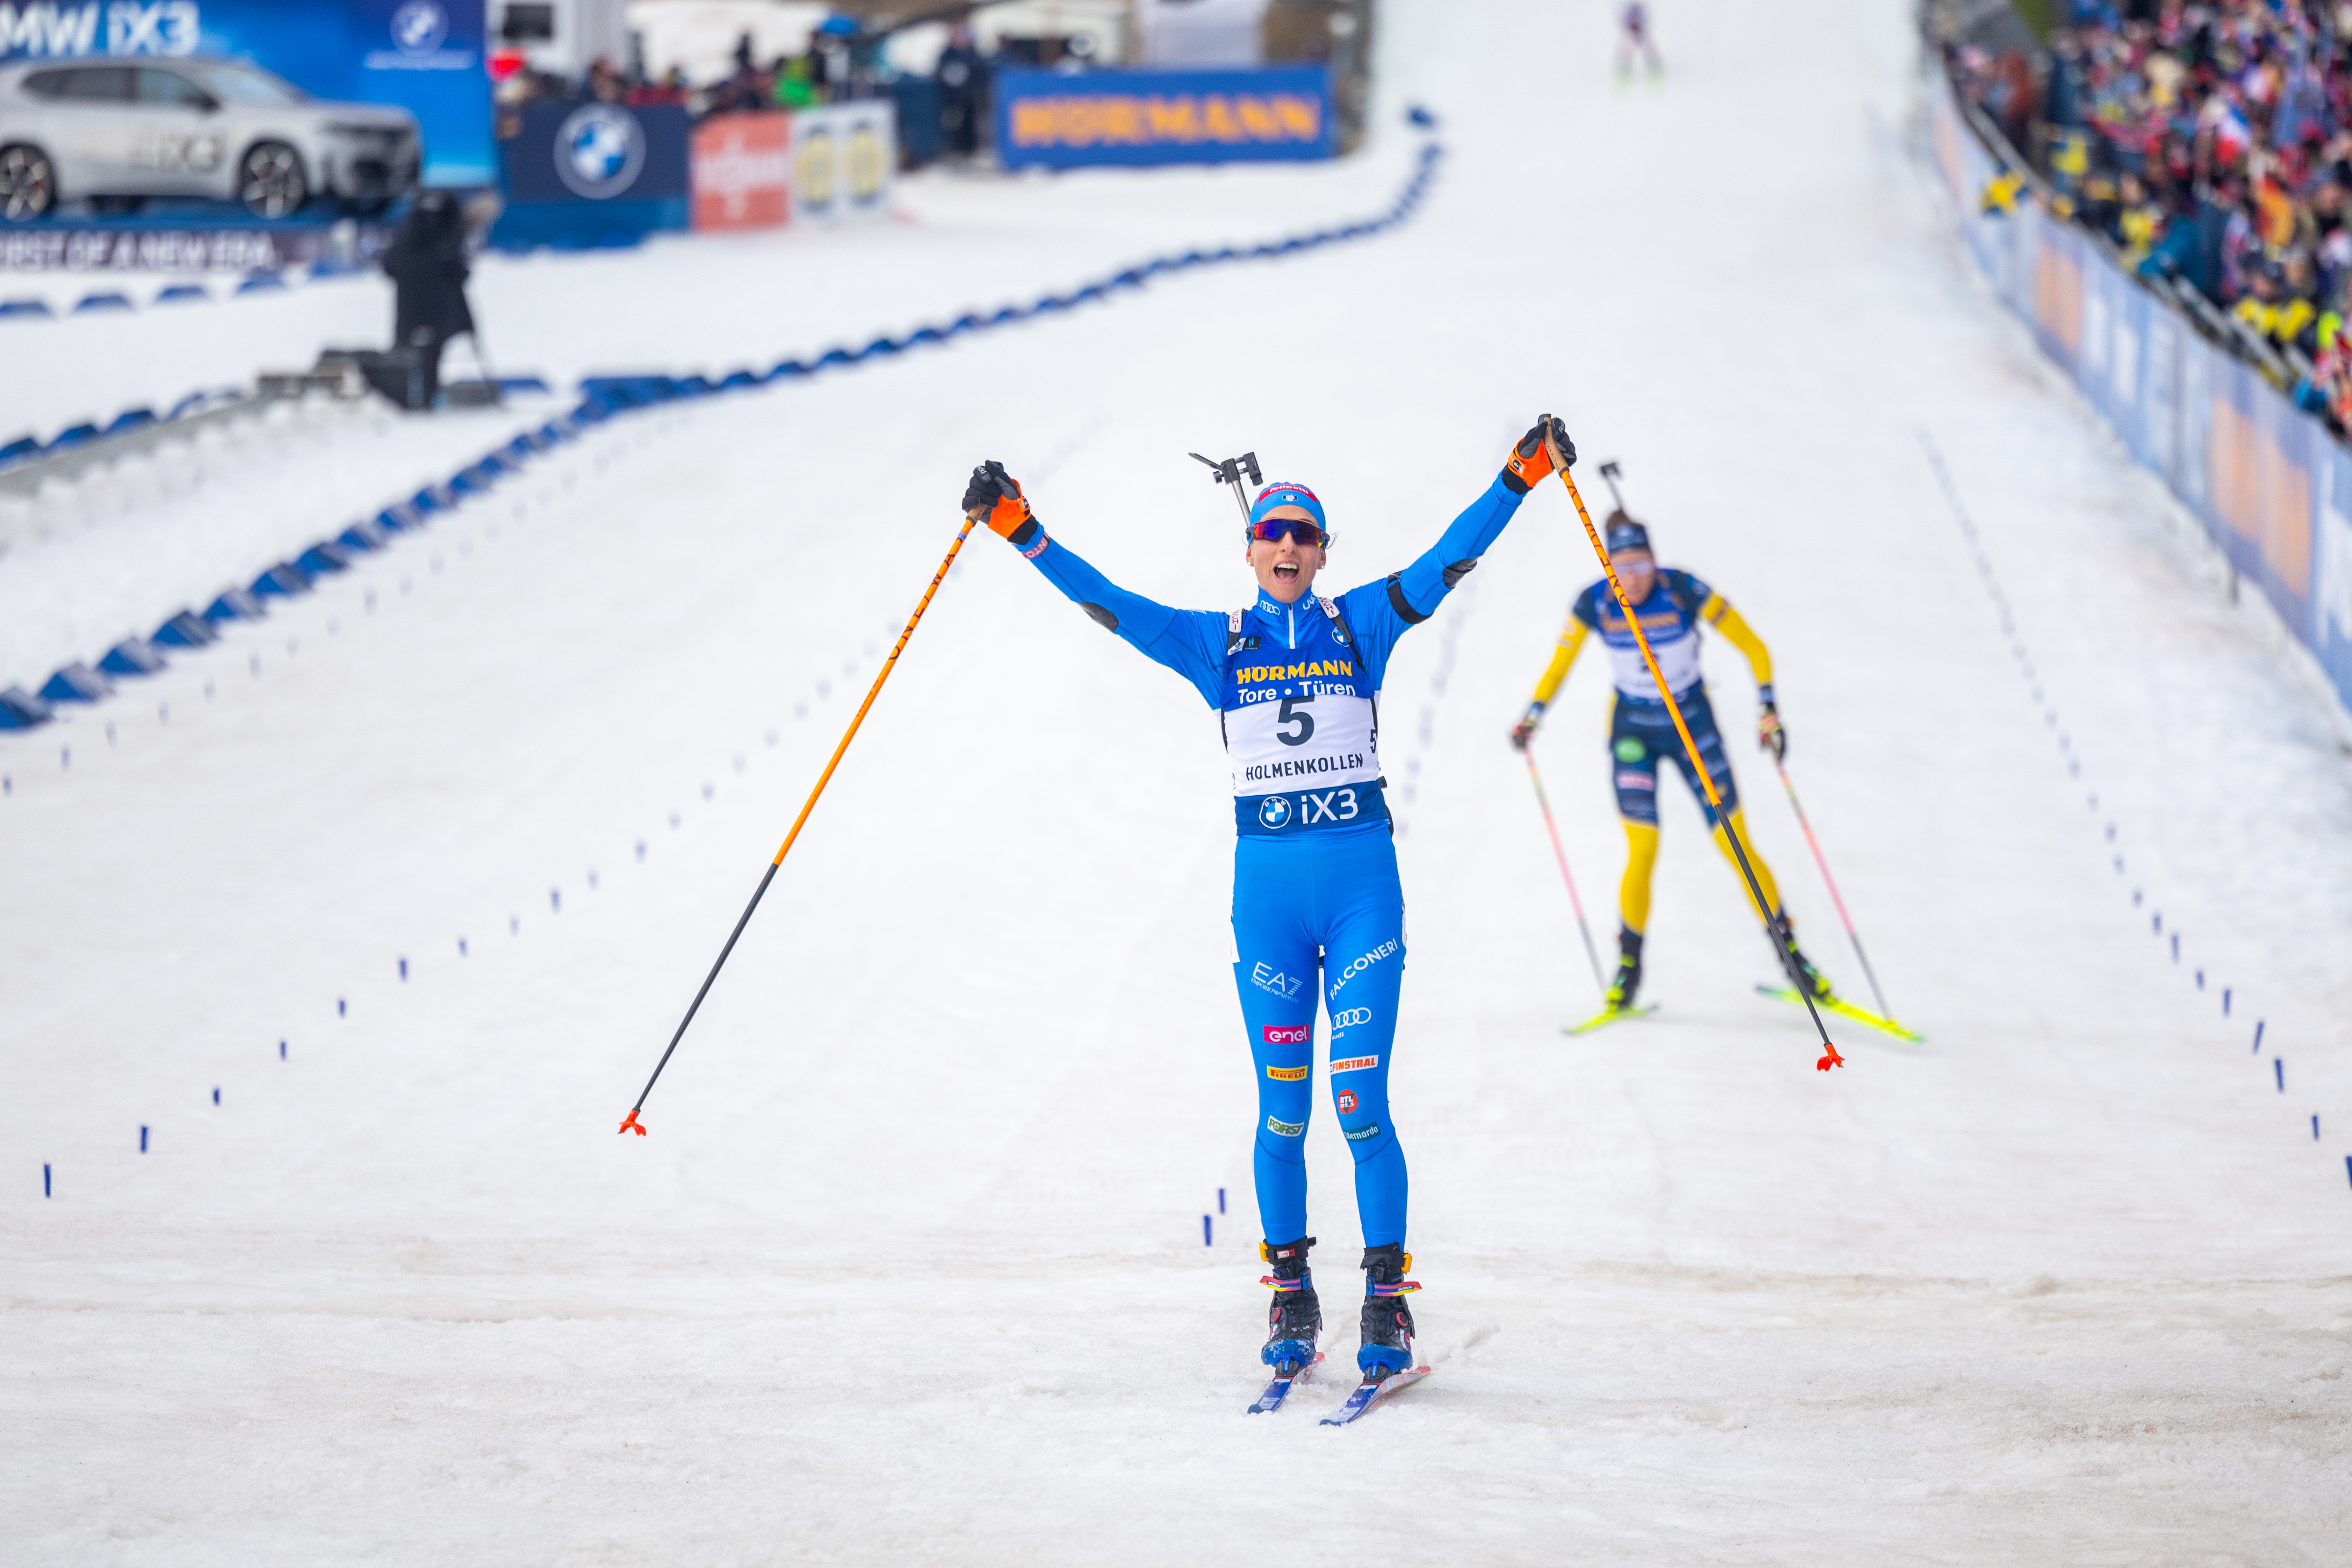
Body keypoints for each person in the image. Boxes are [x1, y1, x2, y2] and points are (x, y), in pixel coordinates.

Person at [961, 416, 1576, 1389]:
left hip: (1360, 892)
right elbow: (1109, 603)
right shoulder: (1218, 644)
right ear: (1249, 549)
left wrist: (1517, 477)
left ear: (1322, 553)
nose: (1286, 546)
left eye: (1303, 536)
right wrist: (1019, 529)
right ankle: (1290, 1289)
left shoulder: (1357, 624)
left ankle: (1385, 1295)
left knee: (1358, 1102)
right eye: (1273, 534)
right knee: (1283, 1112)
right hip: (1269, 907)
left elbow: (1446, 561)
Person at [1509, 509, 1833, 1014]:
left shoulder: (1683, 590)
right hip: (1633, 731)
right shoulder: (1595, 601)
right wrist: (1532, 715)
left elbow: (1754, 647)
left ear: (1655, 563)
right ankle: (1628, 972)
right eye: (1622, 568)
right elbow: (1560, 663)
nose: (1632, 579)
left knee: (1734, 843)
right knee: (1642, 849)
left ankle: (1793, 959)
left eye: (1640, 566)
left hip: (1691, 728)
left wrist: (1768, 710)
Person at [378, 191, 476, 410]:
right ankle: (428, 395)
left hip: (407, 314)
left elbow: (387, 267)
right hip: (438, 314)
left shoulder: (404, 238)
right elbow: (461, 275)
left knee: (403, 351)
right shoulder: (446, 241)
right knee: (432, 352)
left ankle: (398, 397)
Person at [1617, 3, 1662, 79]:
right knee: (1625, 54)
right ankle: (1622, 76)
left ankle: (1655, 74)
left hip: (1642, 36)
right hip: (1631, 37)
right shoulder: (1628, 17)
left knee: (1651, 52)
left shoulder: (1643, 15)